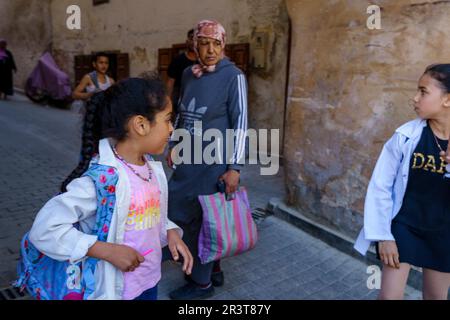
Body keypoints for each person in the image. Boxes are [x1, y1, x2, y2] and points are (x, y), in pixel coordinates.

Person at [26, 76, 193, 300]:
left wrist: (170, 231)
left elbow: (149, 215)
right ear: (141, 125)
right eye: (168, 120)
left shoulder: (153, 170)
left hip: (149, 282)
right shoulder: (103, 180)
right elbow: (45, 229)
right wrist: (106, 251)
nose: (172, 129)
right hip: (114, 291)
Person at [166, 20, 248, 300]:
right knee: (182, 208)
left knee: (204, 219)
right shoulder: (190, 74)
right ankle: (212, 269)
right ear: (195, 46)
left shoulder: (233, 75)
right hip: (188, 157)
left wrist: (234, 168)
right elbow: (181, 111)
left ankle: (201, 284)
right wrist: (174, 143)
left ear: (223, 45)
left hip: (213, 162)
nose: (210, 49)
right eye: (204, 43)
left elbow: (241, 123)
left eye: (216, 43)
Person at [354, 64, 450, 300]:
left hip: (443, 231)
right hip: (404, 226)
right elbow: (380, 186)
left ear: (447, 99)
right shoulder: (405, 137)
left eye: (423, 92)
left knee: (436, 297)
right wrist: (384, 236)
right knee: (389, 297)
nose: (415, 98)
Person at [166, 29, 197, 113]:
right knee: (182, 124)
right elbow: (170, 82)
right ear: (187, 41)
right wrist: (168, 102)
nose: (193, 42)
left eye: (196, 39)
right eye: (191, 38)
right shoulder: (178, 60)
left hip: (198, 102)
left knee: (197, 124)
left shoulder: (203, 63)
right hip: (180, 101)